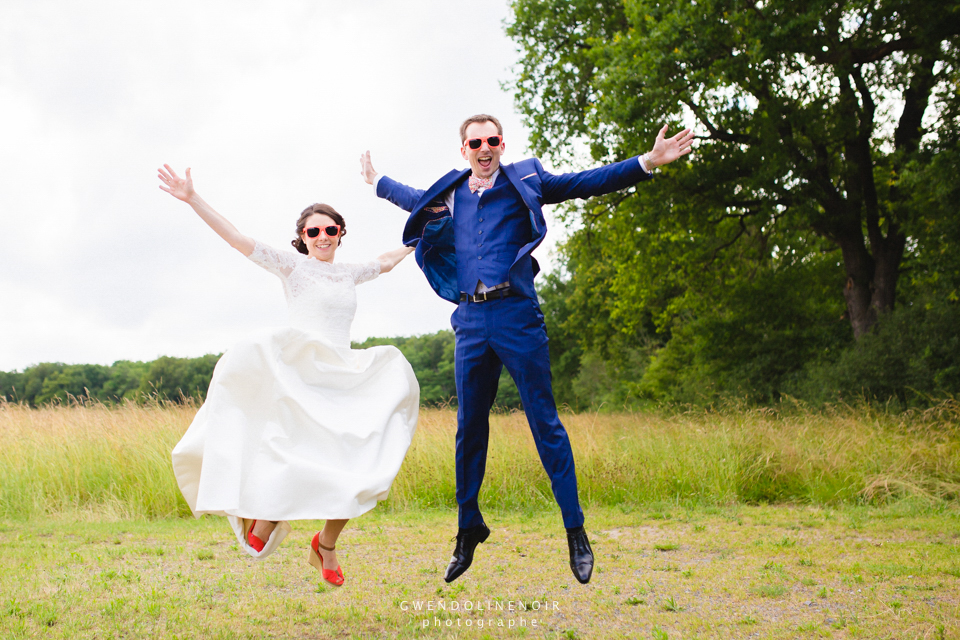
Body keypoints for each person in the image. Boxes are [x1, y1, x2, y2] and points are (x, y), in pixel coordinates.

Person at [359, 115, 693, 584]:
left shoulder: (527, 180)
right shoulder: (450, 194)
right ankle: (467, 529)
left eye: (492, 140)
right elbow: (411, 199)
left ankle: (575, 531)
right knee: (468, 429)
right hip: (471, 322)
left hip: (517, 316)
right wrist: (378, 182)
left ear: (501, 144)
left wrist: (646, 162)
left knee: (545, 422)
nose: (485, 148)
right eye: (475, 142)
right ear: (464, 150)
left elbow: (583, 183)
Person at [158, 164, 419, 587]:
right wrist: (192, 199)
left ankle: (325, 544)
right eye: (312, 232)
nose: (322, 238)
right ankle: (267, 515)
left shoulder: (349, 272)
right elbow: (237, 239)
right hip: (299, 376)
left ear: (340, 232)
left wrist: (419, 233)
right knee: (293, 454)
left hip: (341, 378)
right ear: (302, 238)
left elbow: (386, 261)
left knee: (361, 467)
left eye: (329, 230)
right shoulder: (292, 268)